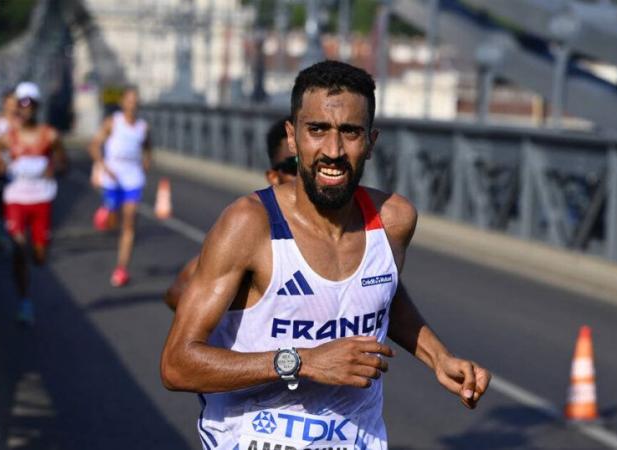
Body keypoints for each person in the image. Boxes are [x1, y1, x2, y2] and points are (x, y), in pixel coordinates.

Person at [161, 61, 490, 450]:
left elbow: (383, 290)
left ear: (371, 141)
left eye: (350, 132)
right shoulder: (250, 225)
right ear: (293, 136)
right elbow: (177, 365)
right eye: (317, 129)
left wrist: (439, 358)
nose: (333, 151)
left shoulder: (393, 220)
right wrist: (301, 361)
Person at [164, 117, 296, 311]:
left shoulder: (352, 227)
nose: (304, 173)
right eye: (294, 166)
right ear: (273, 177)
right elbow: (176, 293)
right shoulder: (253, 229)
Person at [0, 82, 67, 325]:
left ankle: (39, 248)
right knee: (19, 248)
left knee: (40, 256)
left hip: (41, 199)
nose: (24, 108)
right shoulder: (8, 137)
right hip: (15, 198)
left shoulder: (50, 135)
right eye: (20, 103)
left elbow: (63, 164)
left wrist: (53, 167)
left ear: (35, 107)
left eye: (29, 103)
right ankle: (25, 301)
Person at [88, 86, 151, 287]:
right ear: (123, 102)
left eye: (136, 100)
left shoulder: (143, 127)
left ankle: (121, 268)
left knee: (129, 224)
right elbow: (94, 145)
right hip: (112, 177)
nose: (132, 104)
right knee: (112, 221)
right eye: (129, 100)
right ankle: (107, 209)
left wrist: (146, 162)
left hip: (133, 178)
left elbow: (148, 147)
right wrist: (103, 166)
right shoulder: (112, 122)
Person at [0, 91, 17, 231]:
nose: (13, 107)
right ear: (4, 104)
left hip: (17, 173)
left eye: (15, 103)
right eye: (10, 103)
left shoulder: (22, 123)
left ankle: (11, 233)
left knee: (12, 210)